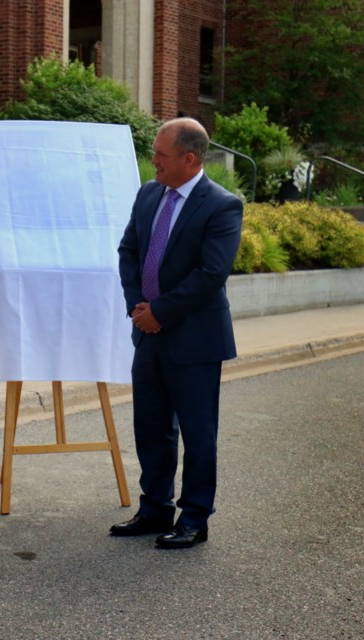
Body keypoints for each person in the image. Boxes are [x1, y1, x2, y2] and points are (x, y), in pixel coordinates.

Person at [114, 117, 243, 549]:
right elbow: (129, 250)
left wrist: (161, 313)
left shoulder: (222, 205)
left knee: (197, 432)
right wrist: (140, 309)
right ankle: (154, 508)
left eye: (161, 155)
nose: (153, 162)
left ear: (190, 159)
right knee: (150, 426)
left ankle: (194, 518)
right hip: (147, 332)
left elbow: (211, 273)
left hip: (194, 339)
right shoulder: (149, 194)